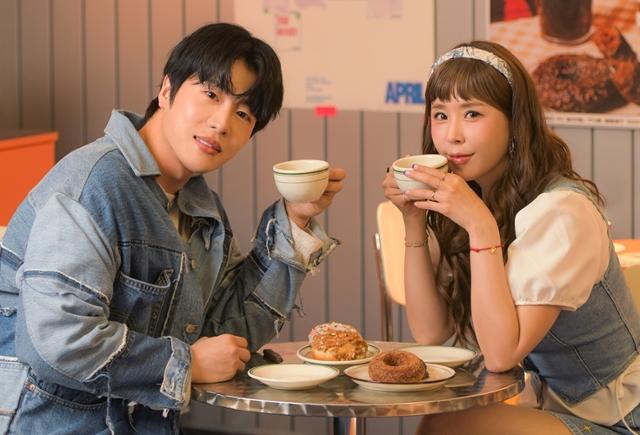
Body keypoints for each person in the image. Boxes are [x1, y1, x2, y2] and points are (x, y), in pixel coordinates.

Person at [0, 23, 344, 434]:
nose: (222, 123)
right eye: (211, 94)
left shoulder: (200, 206)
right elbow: (58, 343)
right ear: (166, 91)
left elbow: (228, 335)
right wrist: (188, 363)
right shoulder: (94, 186)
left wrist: (295, 220)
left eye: (243, 114)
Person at [382, 41, 640, 434]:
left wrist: (481, 226)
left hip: (623, 420)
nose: (452, 135)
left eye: (472, 113)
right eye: (440, 114)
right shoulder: (477, 198)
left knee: (446, 428)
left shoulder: (561, 212)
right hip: (561, 409)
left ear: (514, 121)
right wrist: (413, 221)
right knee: (442, 424)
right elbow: (430, 333)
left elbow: (501, 355)